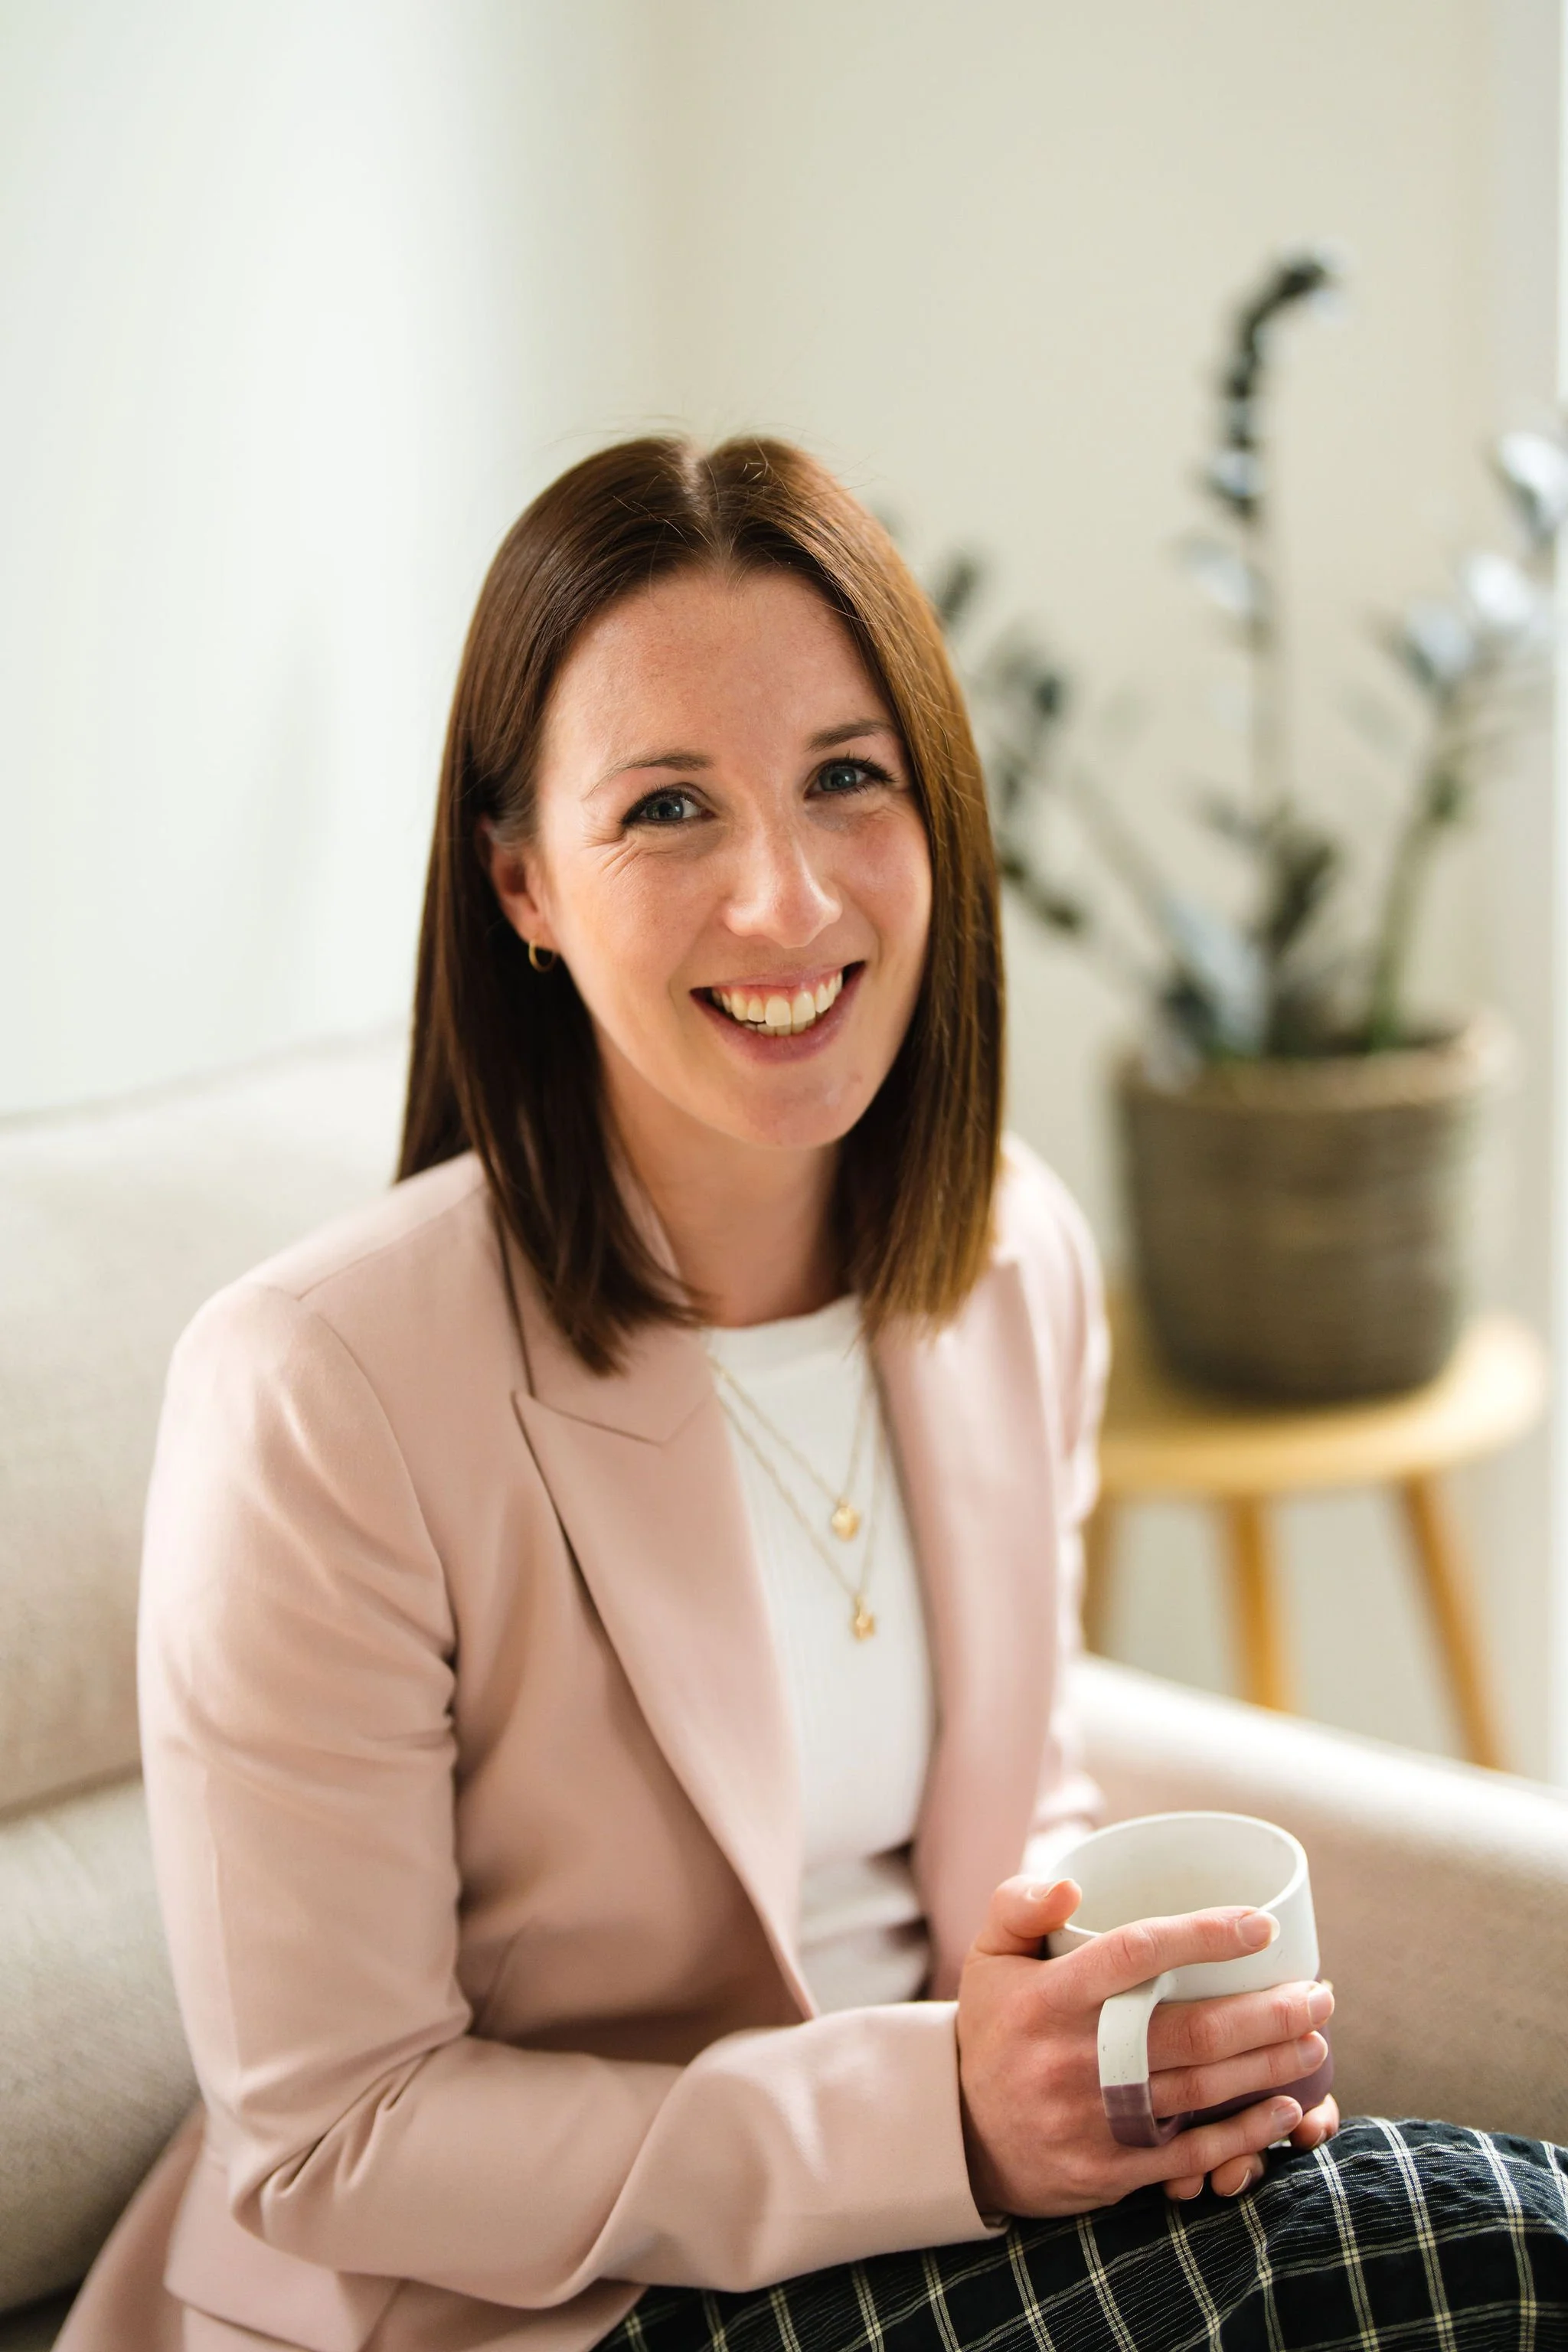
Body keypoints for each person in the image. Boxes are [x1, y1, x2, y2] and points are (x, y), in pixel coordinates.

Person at [61, 437, 1566, 2352]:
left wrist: (1113, 2048)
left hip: (958, 2229)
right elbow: (333, 2138)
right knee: (1501, 2266)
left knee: (1474, 2231)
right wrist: (937, 2115)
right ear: (523, 881)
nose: (782, 902)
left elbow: (1001, 1827)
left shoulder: (1010, 1259)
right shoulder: (320, 1387)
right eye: (669, 808)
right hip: (551, 2308)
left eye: (846, 779)